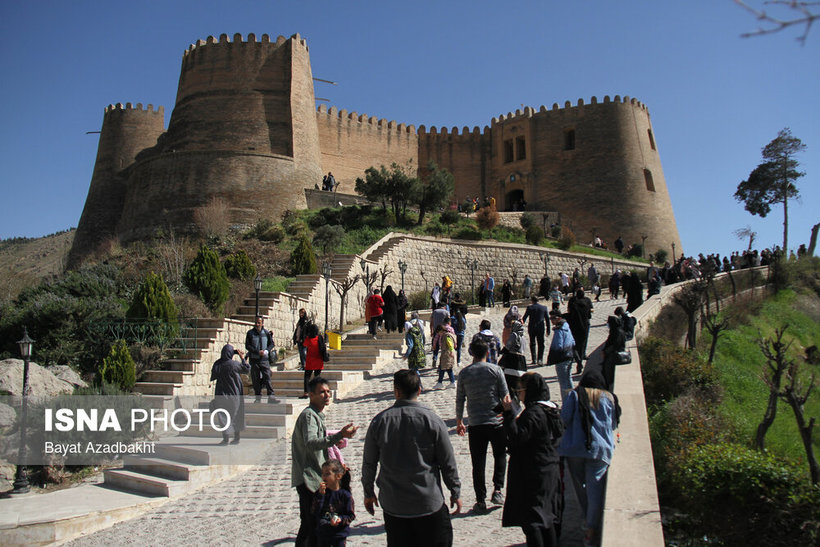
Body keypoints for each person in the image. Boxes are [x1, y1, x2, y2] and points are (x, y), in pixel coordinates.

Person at [362, 369, 462, 546]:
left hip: (394, 505)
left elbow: (369, 463)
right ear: (419, 390)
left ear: (396, 391)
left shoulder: (380, 422)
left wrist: (368, 492)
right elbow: (447, 461)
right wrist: (455, 491)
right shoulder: (433, 420)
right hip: (428, 502)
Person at [292, 377, 358, 547]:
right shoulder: (309, 416)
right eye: (322, 392)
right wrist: (338, 436)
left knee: (312, 525)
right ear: (311, 394)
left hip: (315, 477)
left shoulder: (316, 415)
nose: (327, 395)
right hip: (309, 479)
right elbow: (311, 443)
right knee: (310, 525)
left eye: (328, 391)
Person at [501, 372, 564, 546]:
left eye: (520, 391)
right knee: (547, 518)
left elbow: (516, 438)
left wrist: (508, 415)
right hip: (550, 469)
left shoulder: (534, 414)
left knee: (533, 522)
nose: (519, 396)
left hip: (533, 473)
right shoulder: (553, 410)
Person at [558, 370, 620, 546]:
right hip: (600, 450)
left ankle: (587, 521)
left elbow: (564, 419)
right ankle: (591, 529)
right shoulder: (609, 398)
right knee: (595, 491)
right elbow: (613, 424)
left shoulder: (575, 396)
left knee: (581, 489)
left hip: (574, 448)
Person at [456, 339, 510, 513]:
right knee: (500, 455)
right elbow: (505, 398)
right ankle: (498, 489)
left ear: (471, 353)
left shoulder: (464, 373)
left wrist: (459, 420)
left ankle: (480, 499)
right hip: (496, 421)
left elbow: (460, 399)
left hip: (476, 422)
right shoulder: (496, 370)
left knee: (477, 462)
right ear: (487, 352)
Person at [210, 344, 249, 445]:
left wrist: (227, 356)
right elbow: (246, 369)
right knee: (237, 415)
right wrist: (242, 358)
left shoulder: (218, 364)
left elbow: (214, 374)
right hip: (234, 394)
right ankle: (237, 438)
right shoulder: (235, 364)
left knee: (223, 416)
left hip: (221, 394)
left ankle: (226, 438)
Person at [313, 459, 355, 547]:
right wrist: (321, 496)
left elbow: (350, 515)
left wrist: (340, 519)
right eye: (323, 474)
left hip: (339, 535)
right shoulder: (320, 493)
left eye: (327, 474)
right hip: (323, 533)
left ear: (338, 476)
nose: (324, 477)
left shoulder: (345, 495)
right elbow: (315, 511)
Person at [245, 315, 277, 403]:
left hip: (264, 359)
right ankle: (258, 397)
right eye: (256, 322)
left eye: (259, 322)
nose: (257, 324)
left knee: (267, 376)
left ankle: (271, 396)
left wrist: (266, 351)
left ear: (262, 323)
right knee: (255, 379)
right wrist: (257, 352)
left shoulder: (266, 333)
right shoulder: (250, 333)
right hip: (254, 359)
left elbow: (271, 344)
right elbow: (247, 346)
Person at [547, 310, 575, 403]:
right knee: (569, 380)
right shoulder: (567, 326)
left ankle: (567, 404)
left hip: (561, 359)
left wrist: (552, 358)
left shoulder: (559, 330)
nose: (551, 320)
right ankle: (573, 400)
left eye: (553, 318)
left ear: (559, 318)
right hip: (569, 356)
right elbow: (573, 341)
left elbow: (558, 346)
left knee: (563, 383)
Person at [499, 319, 528, 402]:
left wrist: (501, 351)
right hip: (522, 362)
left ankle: (511, 405)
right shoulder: (523, 338)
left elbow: (508, 347)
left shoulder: (514, 335)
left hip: (513, 361)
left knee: (510, 383)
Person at [566, 289, 593, 375]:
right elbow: (589, 315)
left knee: (574, 345)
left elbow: (569, 313)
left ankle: (578, 361)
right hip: (584, 326)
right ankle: (580, 361)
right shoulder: (586, 303)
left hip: (574, 326)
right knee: (582, 345)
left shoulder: (573, 303)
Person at [302, 323, 328, 398]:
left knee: (307, 377)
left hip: (310, 360)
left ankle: (306, 392)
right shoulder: (319, 338)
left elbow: (304, 345)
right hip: (318, 360)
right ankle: (317, 391)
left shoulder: (308, 339)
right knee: (317, 377)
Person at [601, 316, 627, 390]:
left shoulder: (617, 332)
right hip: (611, 355)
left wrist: (605, 352)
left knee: (608, 374)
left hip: (613, 356)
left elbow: (615, 344)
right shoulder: (616, 330)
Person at [522, 296, 549, 365]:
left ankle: (534, 359)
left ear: (532, 301)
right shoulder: (544, 308)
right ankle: (540, 359)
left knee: (532, 343)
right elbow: (547, 320)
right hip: (540, 327)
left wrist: (520, 324)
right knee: (541, 344)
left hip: (532, 327)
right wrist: (548, 329)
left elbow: (524, 318)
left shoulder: (530, 308)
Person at [432, 322, 457, 389]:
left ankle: (441, 383)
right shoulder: (446, 335)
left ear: (441, 330)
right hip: (446, 354)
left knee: (443, 368)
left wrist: (451, 350)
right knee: (447, 368)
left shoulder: (446, 336)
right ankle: (451, 382)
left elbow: (449, 343)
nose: (439, 334)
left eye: (439, 332)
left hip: (446, 354)